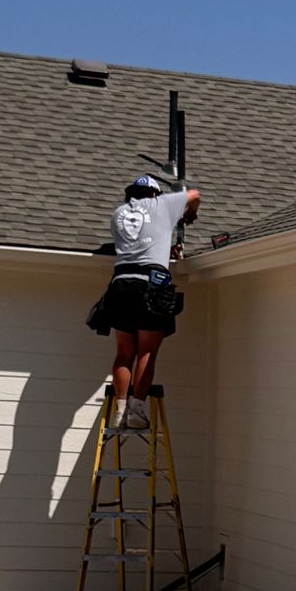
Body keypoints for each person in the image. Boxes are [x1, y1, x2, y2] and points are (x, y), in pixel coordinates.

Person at [87, 173, 201, 428]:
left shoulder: (119, 214)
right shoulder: (159, 205)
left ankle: (120, 410)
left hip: (121, 282)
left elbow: (142, 241)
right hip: (150, 281)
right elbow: (194, 195)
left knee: (124, 352)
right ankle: (136, 409)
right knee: (147, 350)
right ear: (154, 194)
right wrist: (189, 215)